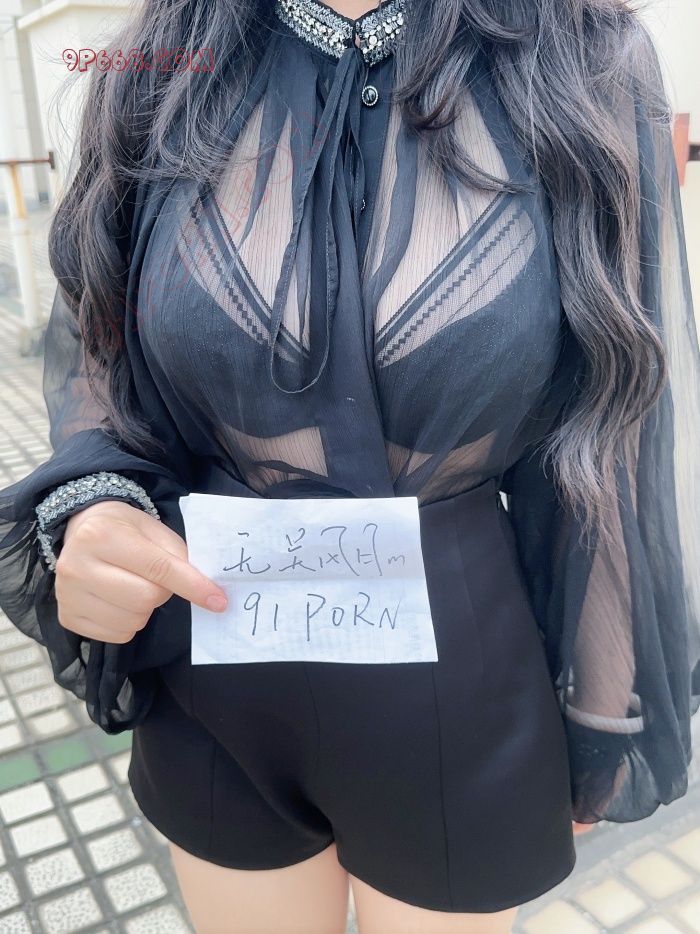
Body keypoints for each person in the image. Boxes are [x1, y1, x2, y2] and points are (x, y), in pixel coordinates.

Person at [0, 0, 698, 930]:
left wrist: (602, 711)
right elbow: (101, 345)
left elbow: (614, 426)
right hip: (212, 661)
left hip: (460, 682)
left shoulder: (584, 58)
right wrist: (92, 505)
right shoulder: (158, 63)